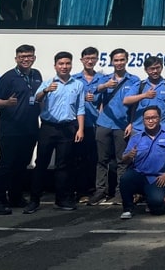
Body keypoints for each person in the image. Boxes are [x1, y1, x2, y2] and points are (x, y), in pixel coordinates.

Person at [25, 51, 85, 214]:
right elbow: (35, 99)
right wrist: (46, 91)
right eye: (61, 64)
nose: (64, 67)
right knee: (41, 164)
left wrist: (80, 129)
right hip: (48, 127)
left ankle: (61, 199)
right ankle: (34, 200)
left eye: (67, 63)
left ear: (71, 65)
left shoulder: (78, 85)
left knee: (63, 165)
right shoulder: (48, 82)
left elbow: (80, 108)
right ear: (55, 66)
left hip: (68, 128)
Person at [0, 43, 43, 214]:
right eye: (22, 57)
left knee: (22, 165)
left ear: (34, 58)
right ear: (16, 59)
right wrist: (6, 103)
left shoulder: (36, 75)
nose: (26, 59)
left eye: (29, 56)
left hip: (30, 129)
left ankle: (15, 197)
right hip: (10, 129)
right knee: (5, 165)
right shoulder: (8, 78)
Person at [89, 48, 140, 206]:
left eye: (122, 60)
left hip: (122, 125)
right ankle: (101, 190)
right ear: (111, 61)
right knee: (101, 159)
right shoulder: (103, 79)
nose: (119, 63)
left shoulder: (134, 80)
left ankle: (120, 191)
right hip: (104, 123)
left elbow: (135, 106)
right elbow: (93, 98)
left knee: (121, 161)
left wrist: (131, 123)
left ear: (127, 60)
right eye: (116, 60)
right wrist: (103, 87)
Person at [119, 105, 165, 218]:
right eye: (147, 118)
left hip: (158, 177)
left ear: (160, 118)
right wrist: (129, 156)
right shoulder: (136, 137)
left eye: (154, 117)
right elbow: (124, 160)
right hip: (139, 174)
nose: (150, 121)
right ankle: (128, 208)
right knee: (125, 178)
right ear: (143, 120)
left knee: (158, 206)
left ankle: (149, 200)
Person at [71, 46, 102, 202]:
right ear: (82, 60)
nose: (90, 61)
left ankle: (93, 190)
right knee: (79, 159)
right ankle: (80, 191)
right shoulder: (74, 79)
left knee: (95, 159)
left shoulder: (102, 79)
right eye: (87, 58)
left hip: (97, 124)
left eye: (93, 58)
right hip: (80, 125)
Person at [123, 55, 165, 132]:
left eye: (157, 68)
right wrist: (144, 95)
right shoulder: (140, 85)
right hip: (139, 130)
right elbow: (126, 100)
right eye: (152, 69)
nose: (155, 71)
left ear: (162, 68)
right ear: (146, 70)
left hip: (161, 131)